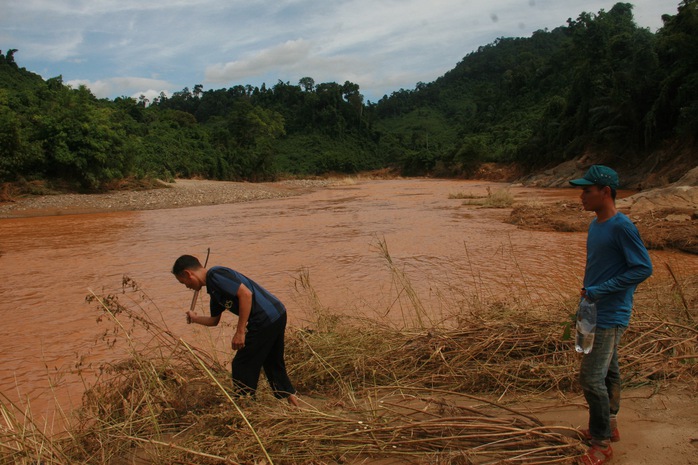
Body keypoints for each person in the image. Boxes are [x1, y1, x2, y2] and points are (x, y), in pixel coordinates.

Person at [569, 165, 652, 465]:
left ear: (605, 192)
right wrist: (589, 294)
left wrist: (601, 289)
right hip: (593, 308)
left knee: (590, 378)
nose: (581, 196)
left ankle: (601, 442)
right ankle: (610, 425)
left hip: (610, 312)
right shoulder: (596, 224)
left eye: (587, 190)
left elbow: (643, 267)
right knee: (609, 370)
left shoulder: (622, 226)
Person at [172, 254, 299, 407]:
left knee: (242, 364)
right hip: (277, 314)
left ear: (188, 274)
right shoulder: (213, 291)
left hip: (264, 318)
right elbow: (214, 321)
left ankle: (246, 406)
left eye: (183, 282)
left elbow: (246, 295)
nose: (186, 286)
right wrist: (194, 318)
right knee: (272, 360)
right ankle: (292, 401)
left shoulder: (215, 274)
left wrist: (240, 332)